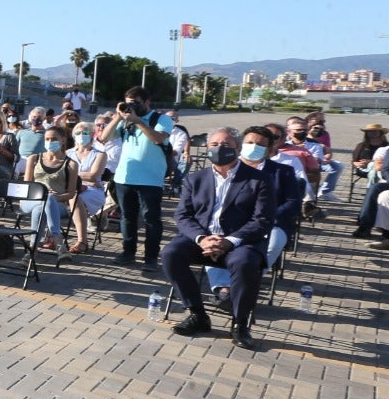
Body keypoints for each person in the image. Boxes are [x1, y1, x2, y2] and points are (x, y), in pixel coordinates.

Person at [162, 127, 274, 349]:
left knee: (244, 263)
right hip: (203, 237)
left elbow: (262, 220)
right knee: (170, 254)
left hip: (240, 241)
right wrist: (202, 238)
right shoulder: (195, 179)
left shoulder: (259, 179)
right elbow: (182, 216)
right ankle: (197, 315)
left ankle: (240, 324)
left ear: (238, 149)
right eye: (214, 145)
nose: (218, 150)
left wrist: (230, 241)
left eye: (225, 146)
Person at [208, 127, 299, 307]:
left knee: (272, 243)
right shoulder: (226, 167)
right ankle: (223, 289)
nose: (253, 146)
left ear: (270, 148)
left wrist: (266, 216)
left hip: (270, 223)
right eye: (250, 142)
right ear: (241, 145)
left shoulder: (283, 172)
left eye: (260, 144)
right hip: (230, 222)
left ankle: (242, 285)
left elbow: (293, 202)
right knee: (213, 240)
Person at [95, 88, 172, 269]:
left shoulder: (161, 119)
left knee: (151, 219)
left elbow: (158, 139)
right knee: (127, 218)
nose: (131, 106)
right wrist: (117, 116)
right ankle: (128, 252)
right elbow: (103, 138)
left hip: (151, 179)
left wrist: (137, 121)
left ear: (147, 102)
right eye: (128, 102)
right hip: (124, 177)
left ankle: (150, 258)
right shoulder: (125, 120)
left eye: (135, 102)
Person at [21, 124, 80, 258]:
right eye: (47, 139)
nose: (50, 142)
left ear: (63, 140)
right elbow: (26, 186)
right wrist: (43, 195)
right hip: (31, 200)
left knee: (42, 206)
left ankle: (32, 250)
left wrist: (55, 197)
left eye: (54, 139)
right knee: (43, 201)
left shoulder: (71, 164)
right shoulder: (34, 158)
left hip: (57, 203)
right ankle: (58, 240)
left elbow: (71, 193)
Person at [67, 121, 107, 251]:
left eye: (85, 132)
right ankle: (52, 237)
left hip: (93, 190)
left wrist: (71, 174)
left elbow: (93, 176)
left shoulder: (100, 154)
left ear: (91, 134)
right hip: (69, 188)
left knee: (75, 198)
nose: (81, 135)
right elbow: (60, 174)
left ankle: (82, 241)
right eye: (78, 133)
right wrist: (79, 177)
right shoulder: (68, 153)